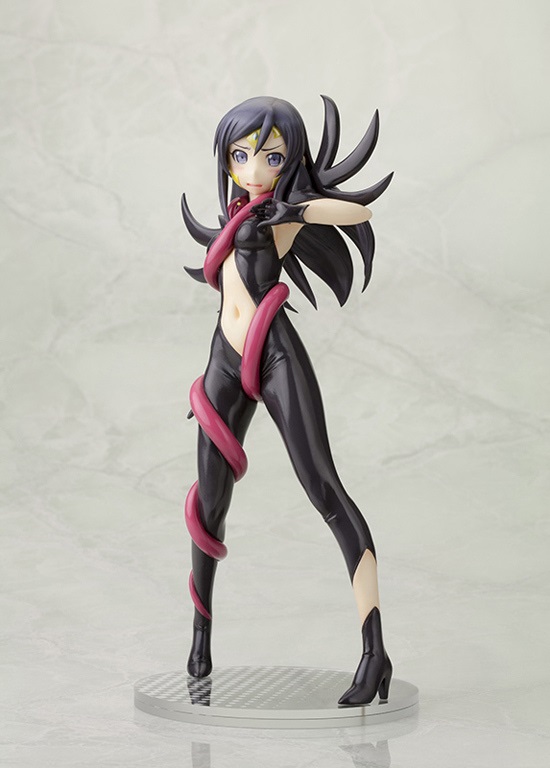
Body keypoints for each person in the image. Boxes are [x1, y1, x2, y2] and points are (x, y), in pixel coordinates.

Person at [182, 96, 393, 706]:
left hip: (273, 354)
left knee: (324, 488)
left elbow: (357, 210)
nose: (253, 169)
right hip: (223, 358)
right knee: (208, 503)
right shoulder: (234, 213)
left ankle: (374, 651)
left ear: (290, 160)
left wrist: (295, 206)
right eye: (240, 155)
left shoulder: (283, 211)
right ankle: (200, 638)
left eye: (270, 157)